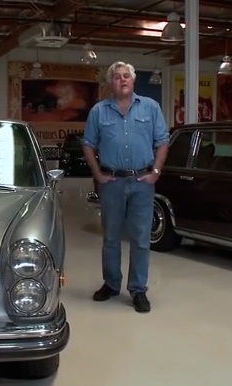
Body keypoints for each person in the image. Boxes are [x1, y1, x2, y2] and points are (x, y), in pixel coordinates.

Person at [81, 61, 169, 313]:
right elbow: (88, 144)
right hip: (112, 182)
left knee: (141, 239)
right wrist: (97, 173)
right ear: (111, 83)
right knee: (110, 238)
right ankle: (111, 283)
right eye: (117, 77)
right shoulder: (99, 111)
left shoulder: (150, 108)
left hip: (142, 182)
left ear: (133, 80)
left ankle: (138, 289)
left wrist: (155, 172)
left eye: (126, 76)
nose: (122, 80)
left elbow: (162, 142)